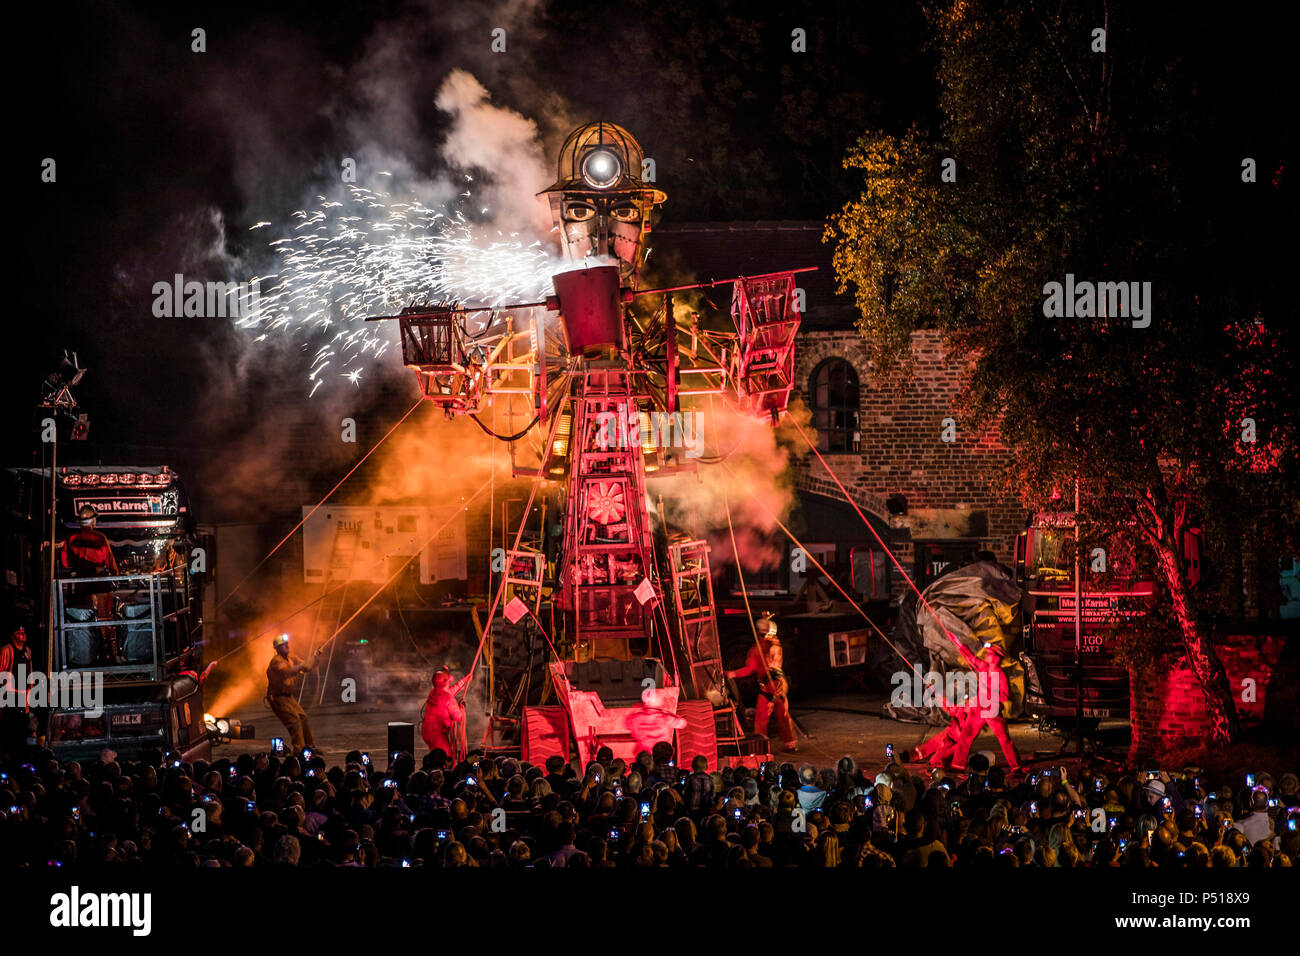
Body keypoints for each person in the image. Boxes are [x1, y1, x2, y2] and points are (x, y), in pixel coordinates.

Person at [946, 639, 1023, 772]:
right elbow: (970, 657)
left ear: (995, 658)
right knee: (966, 736)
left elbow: (1005, 696)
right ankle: (957, 766)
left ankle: (1016, 766)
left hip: (991, 710)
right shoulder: (983, 667)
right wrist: (957, 642)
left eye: (989, 653)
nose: (986, 654)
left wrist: (989, 696)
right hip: (978, 710)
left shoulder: (1000, 676)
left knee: (1004, 739)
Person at [725, 613, 797, 752]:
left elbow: (749, 669)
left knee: (761, 718)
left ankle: (761, 746)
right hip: (781, 683)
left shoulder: (756, 650)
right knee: (783, 715)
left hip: (768, 686)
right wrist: (767, 620)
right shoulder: (776, 645)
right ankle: (790, 743)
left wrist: (732, 674)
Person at [265, 633, 321, 755]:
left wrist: (315, 658)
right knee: (294, 720)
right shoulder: (276, 661)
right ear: (277, 648)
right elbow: (288, 672)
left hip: (288, 696)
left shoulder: (291, 658)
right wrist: (302, 664)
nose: (286, 646)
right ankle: (299, 750)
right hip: (277, 697)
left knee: (303, 717)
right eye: (283, 645)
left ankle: (310, 747)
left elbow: (306, 667)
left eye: (286, 644)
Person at [420, 665, 470, 763]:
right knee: (445, 758)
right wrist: (462, 707)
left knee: (437, 755)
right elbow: (458, 716)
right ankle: (440, 775)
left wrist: (464, 680)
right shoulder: (447, 698)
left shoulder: (434, 692)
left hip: (427, 731)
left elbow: (449, 691)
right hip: (436, 734)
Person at [0, 625, 35, 758]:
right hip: (10, 696)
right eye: (19, 633)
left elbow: (30, 671)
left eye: (24, 633)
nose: (23, 636)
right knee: (9, 728)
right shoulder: (6, 651)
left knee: (22, 728)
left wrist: (29, 691)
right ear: (13, 636)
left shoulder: (27, 650)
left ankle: (21, 756)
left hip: (23, 695)